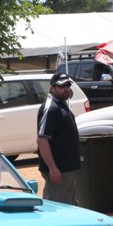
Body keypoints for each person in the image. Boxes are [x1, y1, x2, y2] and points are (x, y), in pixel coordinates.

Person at [36, 72, 81, 206]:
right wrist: (53, 168)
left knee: (68, 206)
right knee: (56, 207)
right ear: (52, 88)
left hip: (66, 168)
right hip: (59, 170)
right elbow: (42, 140)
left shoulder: (60, 104)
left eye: (68, 85)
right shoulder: (51, 108)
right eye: (62, 86)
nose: (66, 89)